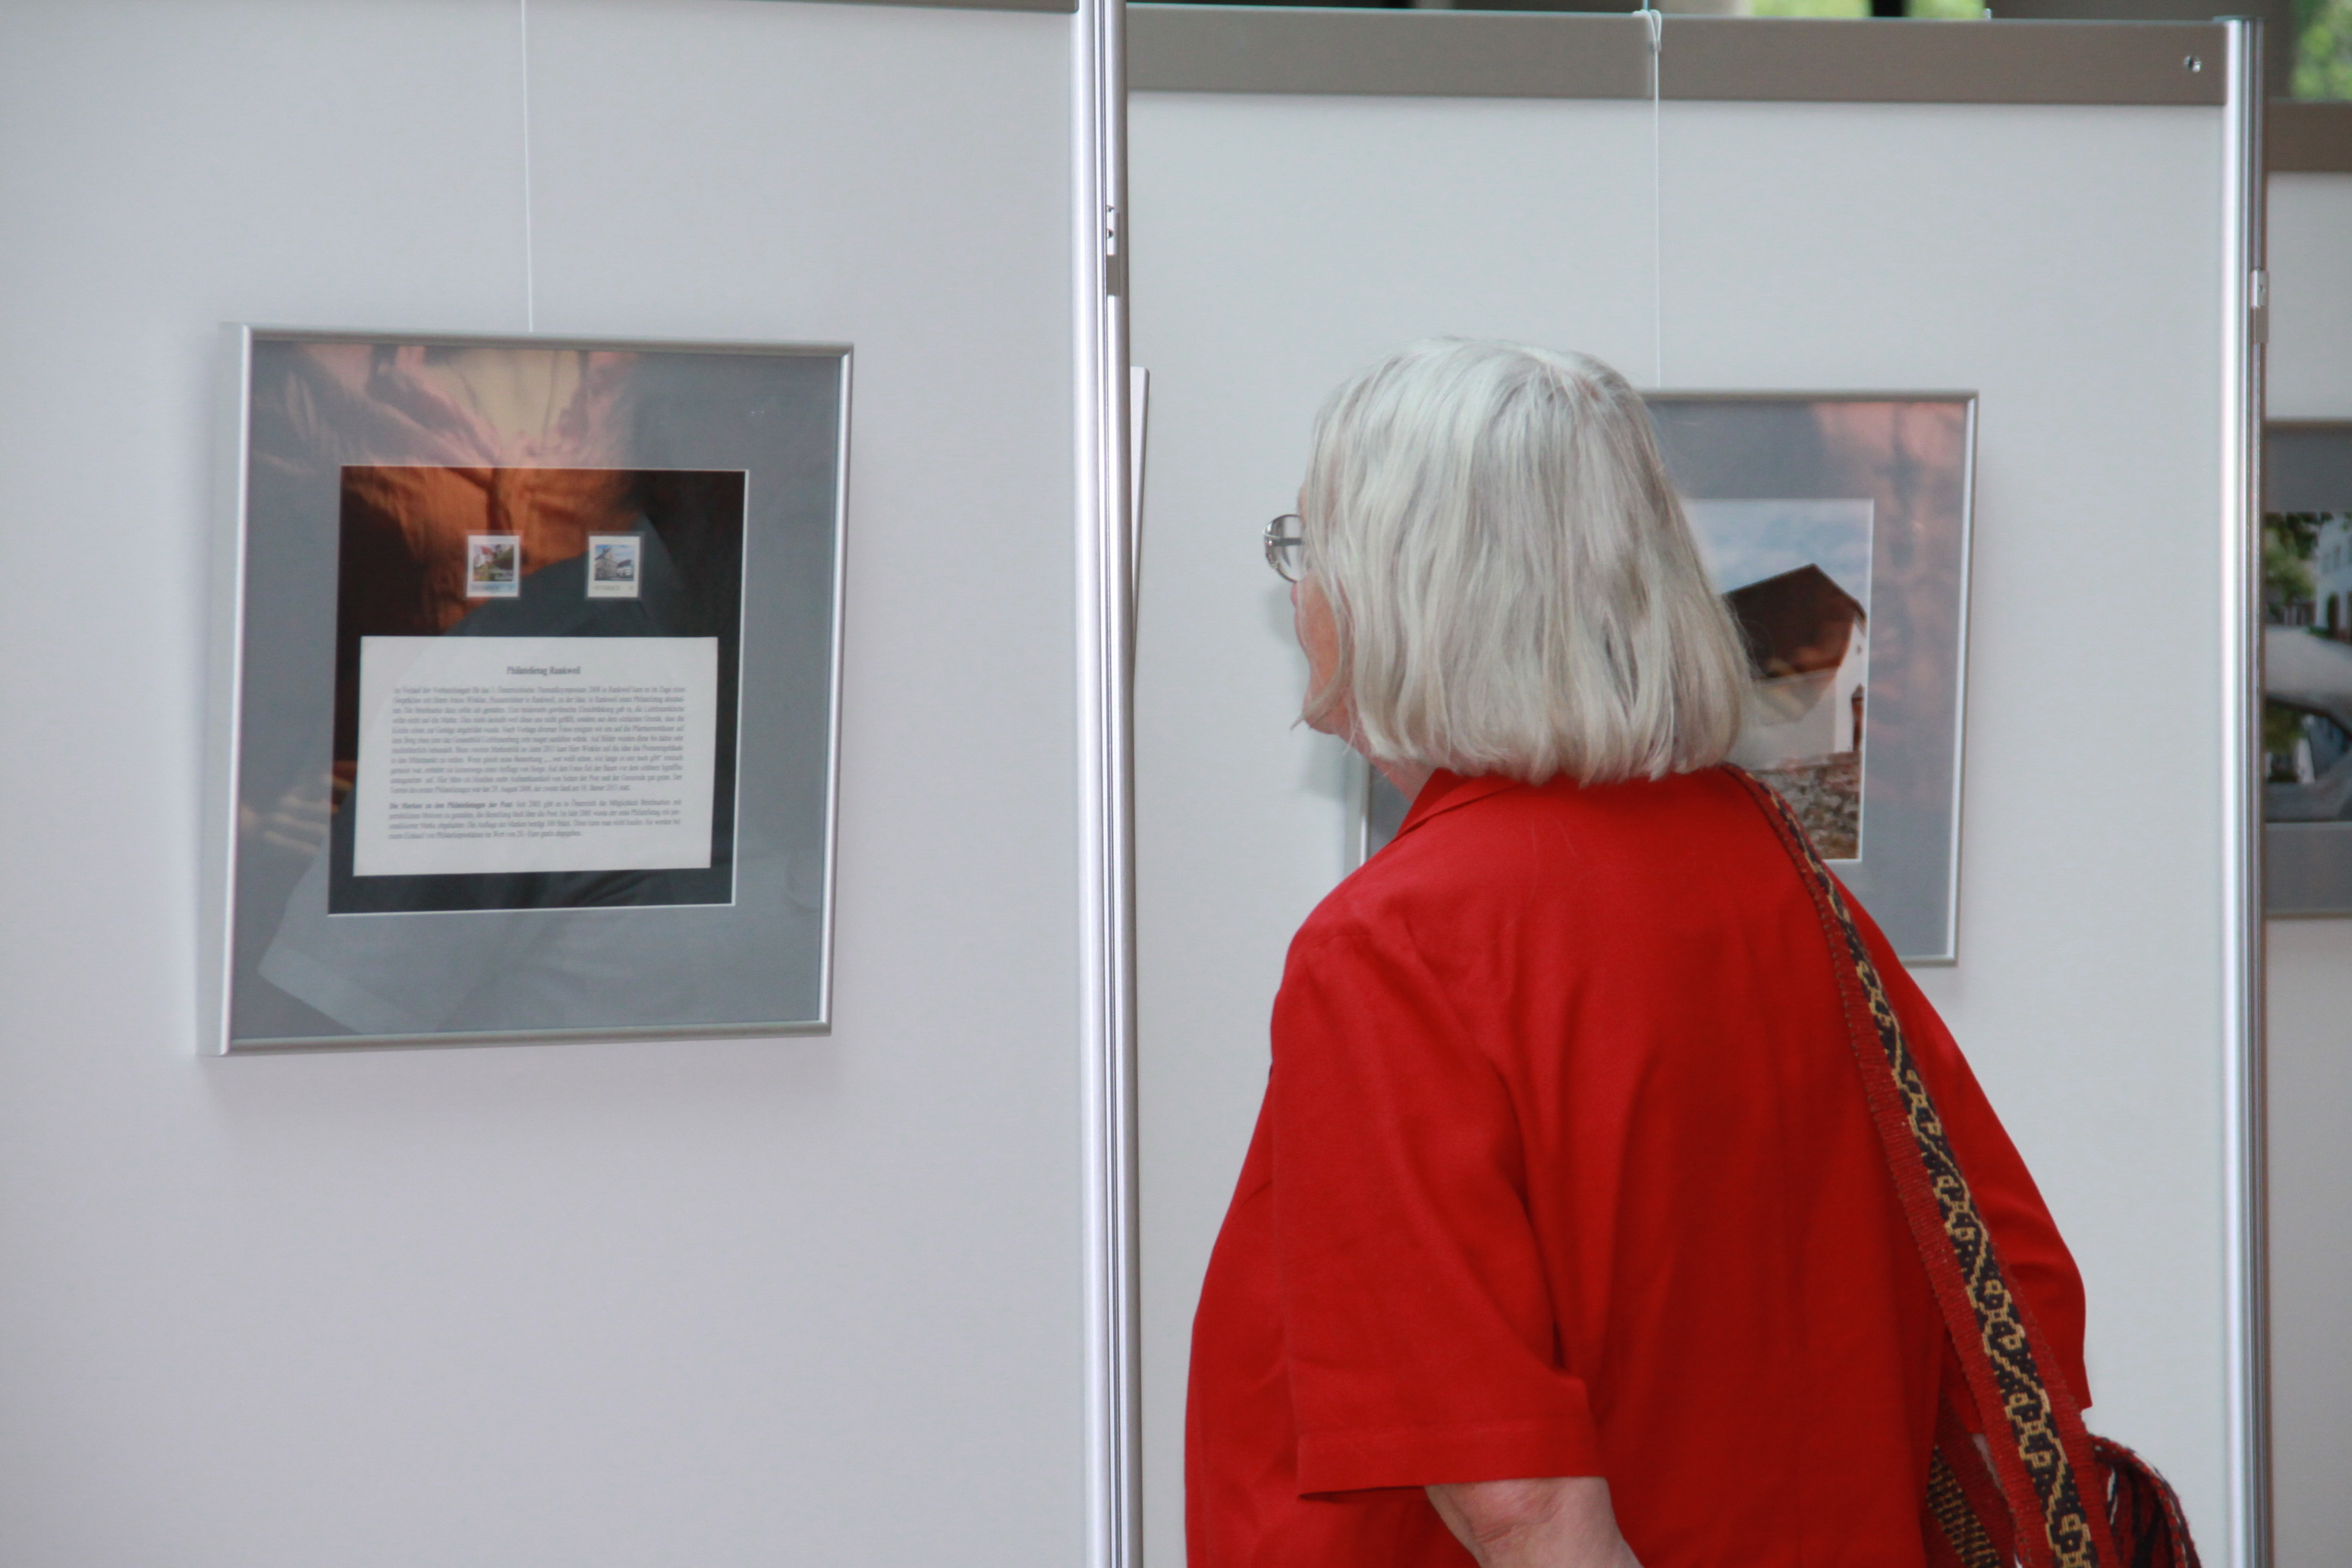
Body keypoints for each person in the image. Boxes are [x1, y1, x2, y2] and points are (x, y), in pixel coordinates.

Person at [1184, 341, 2087, 1568]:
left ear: (1405, 593)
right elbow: (2010, 1296)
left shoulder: (1397, 945)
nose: (1300, 596)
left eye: (1310, 549)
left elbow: (1519, 1501)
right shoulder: (1774, 869)